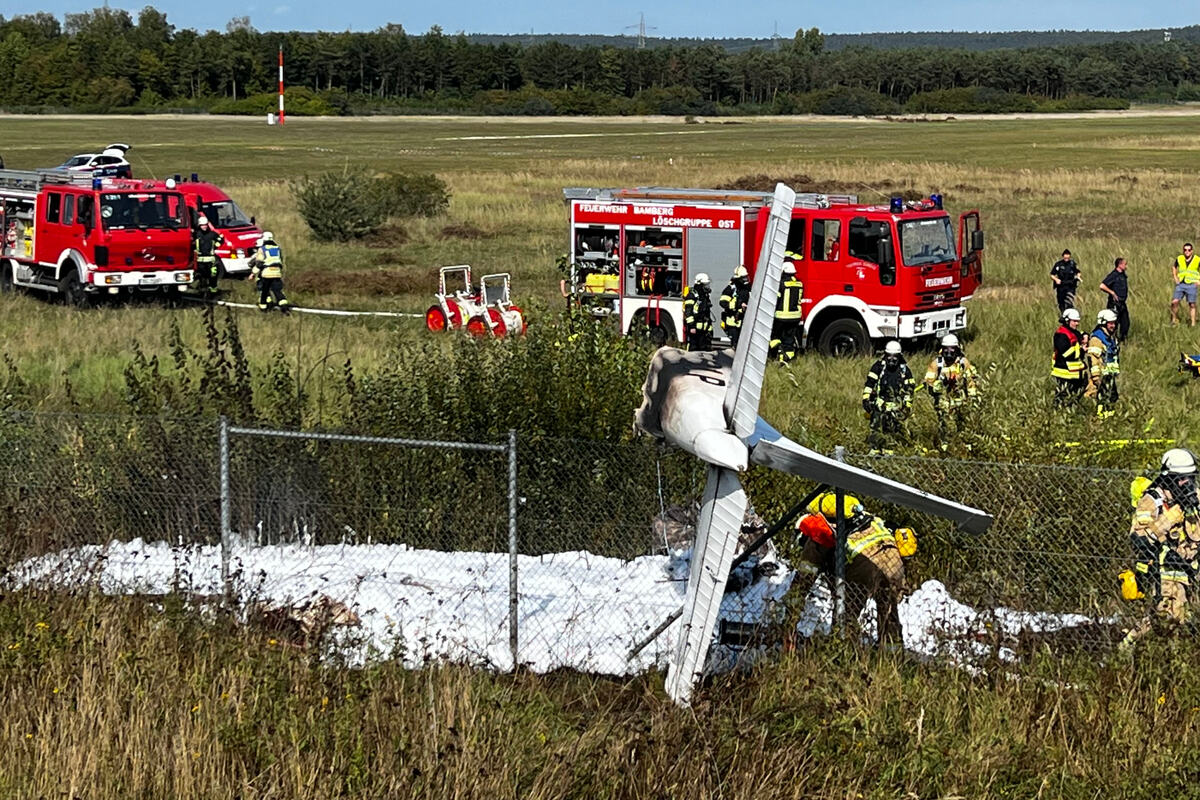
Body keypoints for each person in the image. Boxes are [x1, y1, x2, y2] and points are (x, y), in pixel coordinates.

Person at [794, 492, 909, 644]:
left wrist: (790, 608)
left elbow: (804, 579)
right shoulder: (863, 516)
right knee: (888, 612)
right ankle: (892, 655)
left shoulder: (818, 533)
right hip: (894, 561)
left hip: (865, 567)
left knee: (845, 617)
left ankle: (845, 651)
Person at [1121, 448, 1200, 649]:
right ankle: (1129, 646)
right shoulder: (1152, 501)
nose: (1187, 484)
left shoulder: (1195, 498)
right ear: (1169, 478)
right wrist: (1168, 518)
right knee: (1170, 617)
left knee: (1182, 615)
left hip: (1193, 565)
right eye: (1182, 479)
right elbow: (1139, 538)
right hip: (1166, 568)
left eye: (1190, 478)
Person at [923, 333, 979, 448]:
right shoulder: (936, 364)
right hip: (943, 398)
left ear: (957, 349)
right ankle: (945, 444)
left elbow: (971, 380)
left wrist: (972, 395)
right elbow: (928, 381)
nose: (949, 352)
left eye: (952, 349)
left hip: (960, 397)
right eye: (946, 349)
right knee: (944, 420)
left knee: (962, 419)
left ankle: (964, 442)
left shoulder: (963, 363)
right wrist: (935, 385)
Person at [862, 340, 916, 455]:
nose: (891, 360)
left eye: (894, 357)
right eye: (889, 357)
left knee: (891, 429)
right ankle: (875, 449)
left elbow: (909, 390)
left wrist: (907, 405)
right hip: (879, 403)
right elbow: (870, 383)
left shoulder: (904, 371)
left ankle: (888, 450)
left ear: (899, 357)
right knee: (876, 426)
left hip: (896, 406)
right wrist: (866, 399)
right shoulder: (878, 367)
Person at [1086, 308, 1121, 418]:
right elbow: (1093, 359)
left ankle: (1109, 418)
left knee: (1112, 397)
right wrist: (1096, 377)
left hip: (1109, 375)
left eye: (1114, 323)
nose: (1113, 326)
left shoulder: (1110, 337)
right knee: (1101, 399)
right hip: (1101, 375)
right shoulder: (1097, 339)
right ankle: (1100, 418)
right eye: (1110, 323)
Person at [1051, 308, 1088, 408]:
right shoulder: (1061, 335)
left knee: (1075, 397)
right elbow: (1067, 353)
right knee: (1062, 397)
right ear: (1067, 321)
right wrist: (1081, 350)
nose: (1077, 324)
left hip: (1075, 373)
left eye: (1078, 321)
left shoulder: (1072, 332)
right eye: (1074, 321)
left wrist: (1085, 335)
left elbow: (1080, 335)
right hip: (1064, 372)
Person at [770, 262, 804, 363]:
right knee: (789, 340)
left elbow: (775, 298)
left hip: (782, 316)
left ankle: (779, 355)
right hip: (795, 317)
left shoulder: (781, 284)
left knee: (775, 337)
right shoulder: (799, 283)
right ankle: (788, 359)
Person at [248, 231, 290, 313]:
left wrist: (253, 273)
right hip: (277, 272)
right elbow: (280, 260)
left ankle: (264, 308)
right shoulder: (277, 248)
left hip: (267, 273)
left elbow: (259, 263)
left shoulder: (262, 249)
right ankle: (284, 307)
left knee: (265, 291)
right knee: (277, 291)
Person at [192, 214, 225, 296]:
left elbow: (221, 239)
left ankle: (213, 290)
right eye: (202, 225)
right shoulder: (196, 234)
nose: (204, 227)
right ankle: (203, 291)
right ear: (199, 225)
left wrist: (216, 246)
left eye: (205, 225)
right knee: (202, 276)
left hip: (211, 260)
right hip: (200, 260)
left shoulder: (212, 234)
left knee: (213, 275)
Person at [1099, 257, 1130, 341]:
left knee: (1125, 323)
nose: (1126, 266)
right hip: (1114, 303)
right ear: (1119, 265)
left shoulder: (1123, 275)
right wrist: (1112, 292)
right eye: (1125, 264)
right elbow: (1102, 286)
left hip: (1122, 303)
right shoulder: (1113, 275)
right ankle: (1112, 340)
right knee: (1113, 323)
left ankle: (1123, 340)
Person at [718, 265, 750, 348]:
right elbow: (723, 302)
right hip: (733, 321)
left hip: (744, 320)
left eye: (746, 277)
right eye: (743, 278)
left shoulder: (747, 288)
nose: (746, 279)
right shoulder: (731, 289)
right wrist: (738, 305)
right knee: (735, 344)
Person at [682, 272, 713, 351]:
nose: (707, 287)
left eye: (707, 284)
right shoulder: (692, 296)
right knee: (694, 350)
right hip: (694, 329)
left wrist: (709, 327)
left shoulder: (704, 296)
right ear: (700, 284)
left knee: (703, 349)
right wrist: (692, 326)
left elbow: (707, 313)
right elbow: (688, 312)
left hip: (703, 329)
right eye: (705, 285)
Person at [1171, 242, 1200, 327]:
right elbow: (1174, 266)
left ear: (1192, 251)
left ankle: (1193, 323)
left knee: (1192, 304)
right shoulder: (1180, 258)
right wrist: (1175, 277)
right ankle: (1174, 320)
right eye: (1185, 250)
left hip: (1192, 284)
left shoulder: (1197, 259)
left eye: (1189, 250)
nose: (1187, 251)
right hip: (1181, 284)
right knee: (1174, 302)